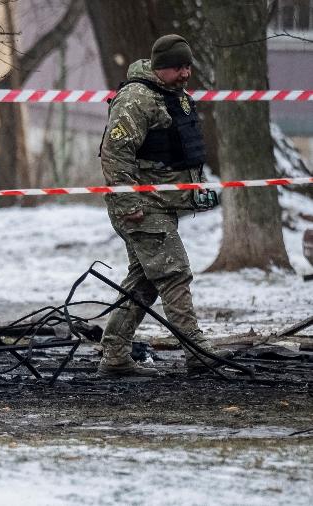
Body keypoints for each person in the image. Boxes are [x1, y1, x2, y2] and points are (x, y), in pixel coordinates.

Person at [97, 34, 227, 377]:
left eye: (188, 66)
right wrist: (128, 201)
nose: (185, 74)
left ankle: (114, 355)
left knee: (144, 282)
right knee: (173, 272)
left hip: (162, 203)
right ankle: (197, 351)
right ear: (159, 67)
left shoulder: (172, 95)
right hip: (141, 206)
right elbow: (115, 153)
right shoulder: (136, 99)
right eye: (177, 67)